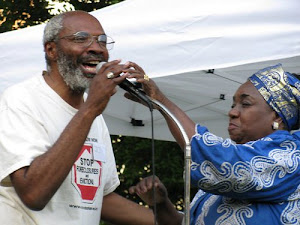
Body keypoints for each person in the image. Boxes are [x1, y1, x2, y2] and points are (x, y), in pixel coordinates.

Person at [0, 10, 155, 225]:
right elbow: (33, 194)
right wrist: (90, 109)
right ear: (51, 50)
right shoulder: (21, 100)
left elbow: (97, 199)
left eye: (102, 41)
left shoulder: (93, 115)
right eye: (81, 38)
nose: (96, 48)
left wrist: (184, 220)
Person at [127, 63, 300, 225]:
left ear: (277, 116)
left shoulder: (291, 155)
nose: (232, 112)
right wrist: (161, 204)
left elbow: (227, 164)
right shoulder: (218, 177)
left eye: (245, 104)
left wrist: (162, 102)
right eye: (233, 105)